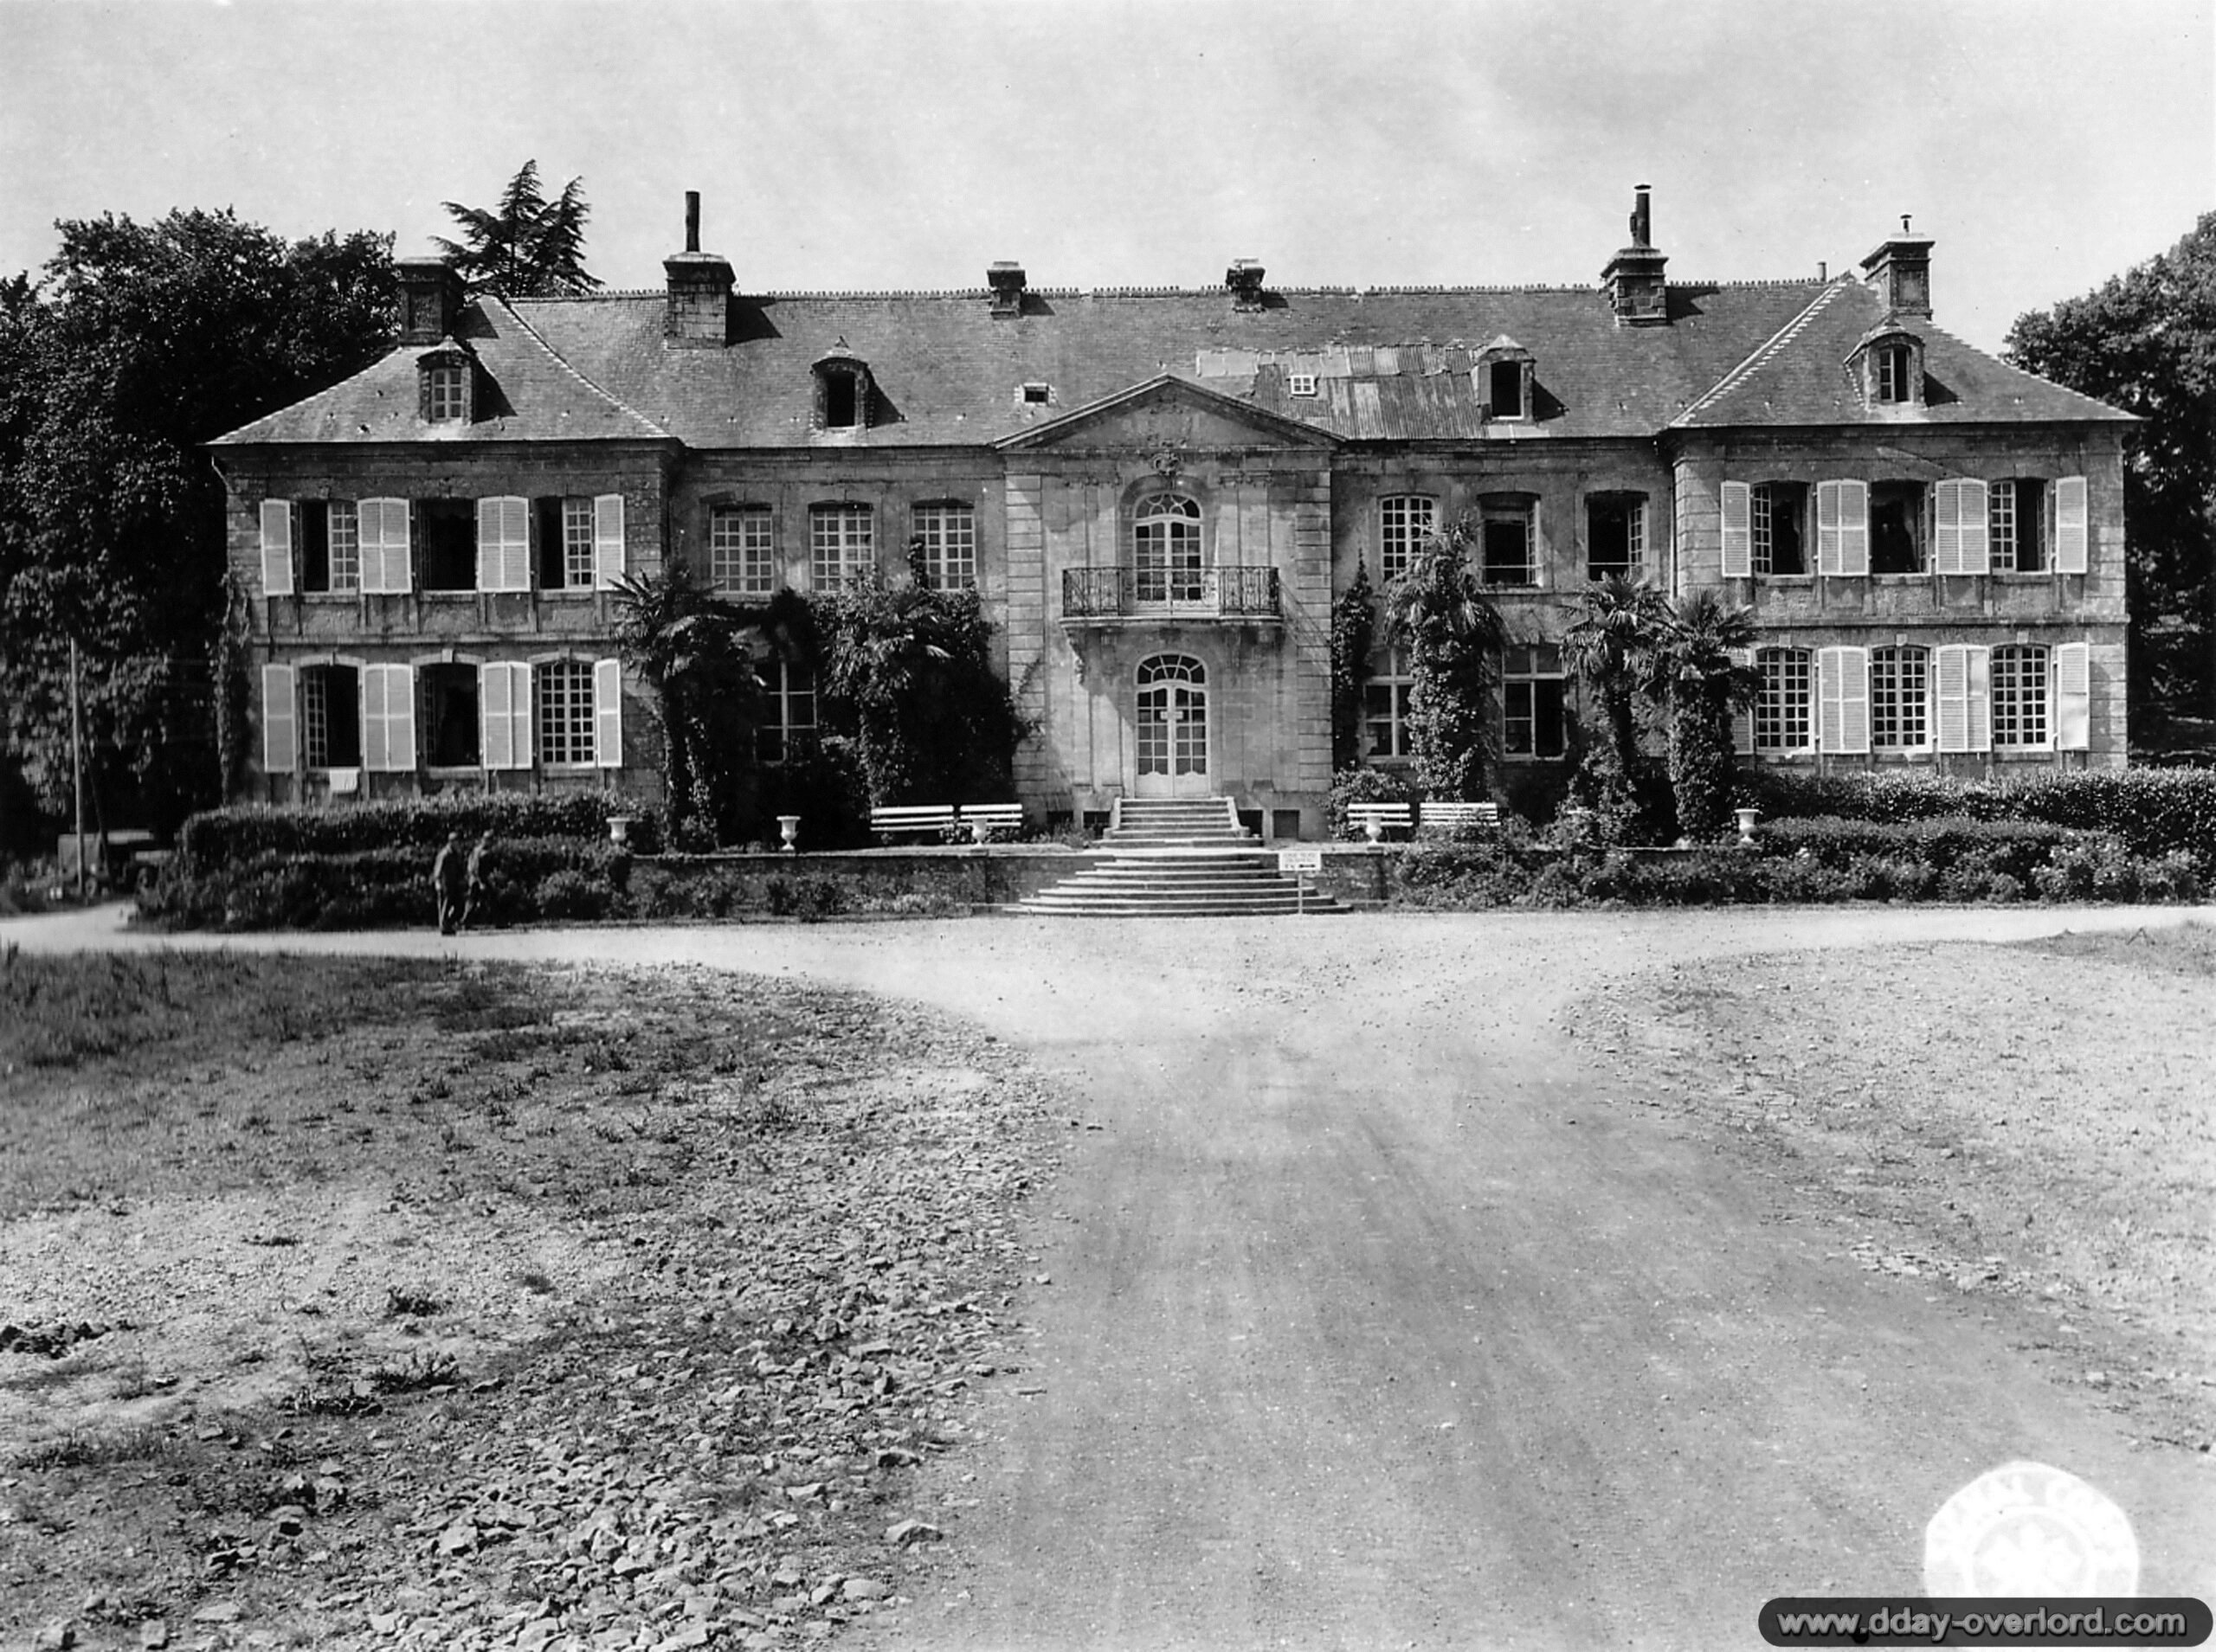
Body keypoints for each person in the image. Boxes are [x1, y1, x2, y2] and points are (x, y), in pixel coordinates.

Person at [432, 833, 466, 935]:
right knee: (444, 907)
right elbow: (438, 870)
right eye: (456, 842)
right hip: (445, 884)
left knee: (460, 906)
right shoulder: (444, 854)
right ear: (451, 842)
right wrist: (437, 882)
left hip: (455, 884)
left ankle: (449, 924)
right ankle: (444, 928)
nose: (458, 844)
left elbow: (460, 869)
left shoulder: (456, 854)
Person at [461, 832, 492, 931]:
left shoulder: (481, 851)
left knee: (490, 899)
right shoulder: (479, 852)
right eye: (488, 839)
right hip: (476, 880)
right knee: (472, 901)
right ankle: (465, 922)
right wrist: (480, 882)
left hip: (481, 879)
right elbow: (474, 868)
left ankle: (498, 921)